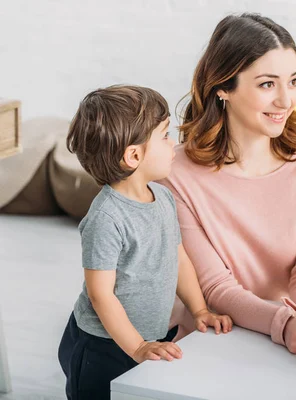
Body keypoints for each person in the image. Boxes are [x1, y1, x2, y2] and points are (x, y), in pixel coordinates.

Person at [162, 13, 296, 356]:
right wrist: (284, 324)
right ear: (223, 88)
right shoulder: (174, 174)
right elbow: (215, 286)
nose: (286, 101)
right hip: (210, 338)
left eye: (293, 81)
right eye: (267, 84)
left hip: (289, 336)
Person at [57, 85, 233, 400]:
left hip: (151, 336)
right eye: (165, 136)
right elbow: (101, 296)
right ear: (134, 155)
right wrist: (137, 346)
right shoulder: (106, 220)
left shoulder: (163, 197)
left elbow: (178, 258)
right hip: (102, 347)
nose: (174, 144)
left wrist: (200, 309)